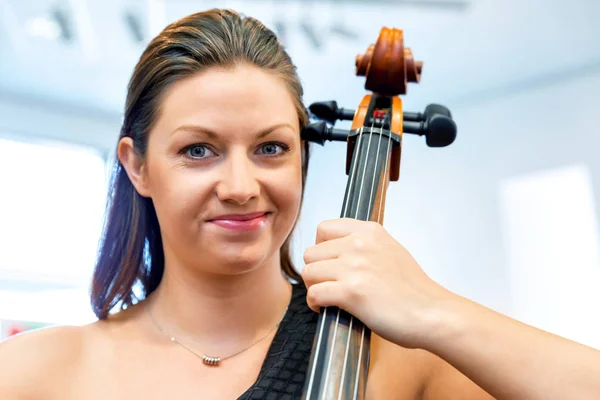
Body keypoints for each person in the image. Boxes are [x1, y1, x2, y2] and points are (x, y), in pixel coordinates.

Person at [1, 8, 599, 399]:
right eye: (199, 150)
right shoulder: (43, 372)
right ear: (138, 166)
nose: (240, 185)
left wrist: (435, 311)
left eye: (270, 148)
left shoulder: (393, 362)